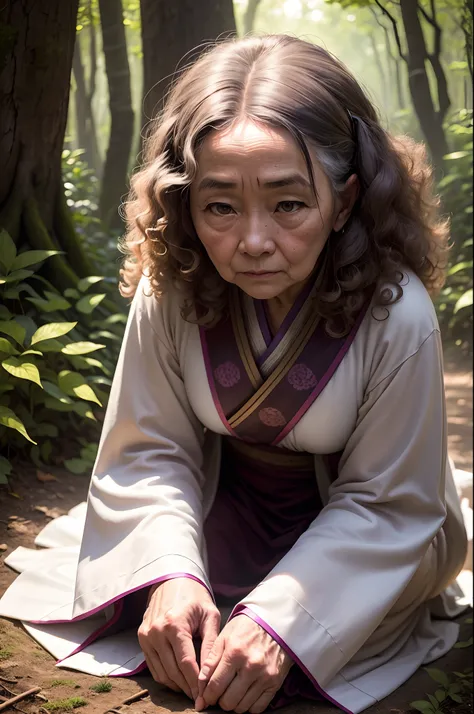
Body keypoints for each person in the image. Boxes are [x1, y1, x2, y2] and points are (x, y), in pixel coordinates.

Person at [0, 34, 469, 714]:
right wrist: (168, 574)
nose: (253, 241)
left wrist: (282, 621)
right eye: (220, 205)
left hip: (358, 543)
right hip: (224, 511)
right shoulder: (174, 289)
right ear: (185, 203)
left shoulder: (399, 315)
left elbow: (389, 502)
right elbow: (150, 450)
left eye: (288, 204)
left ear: (344, 201)